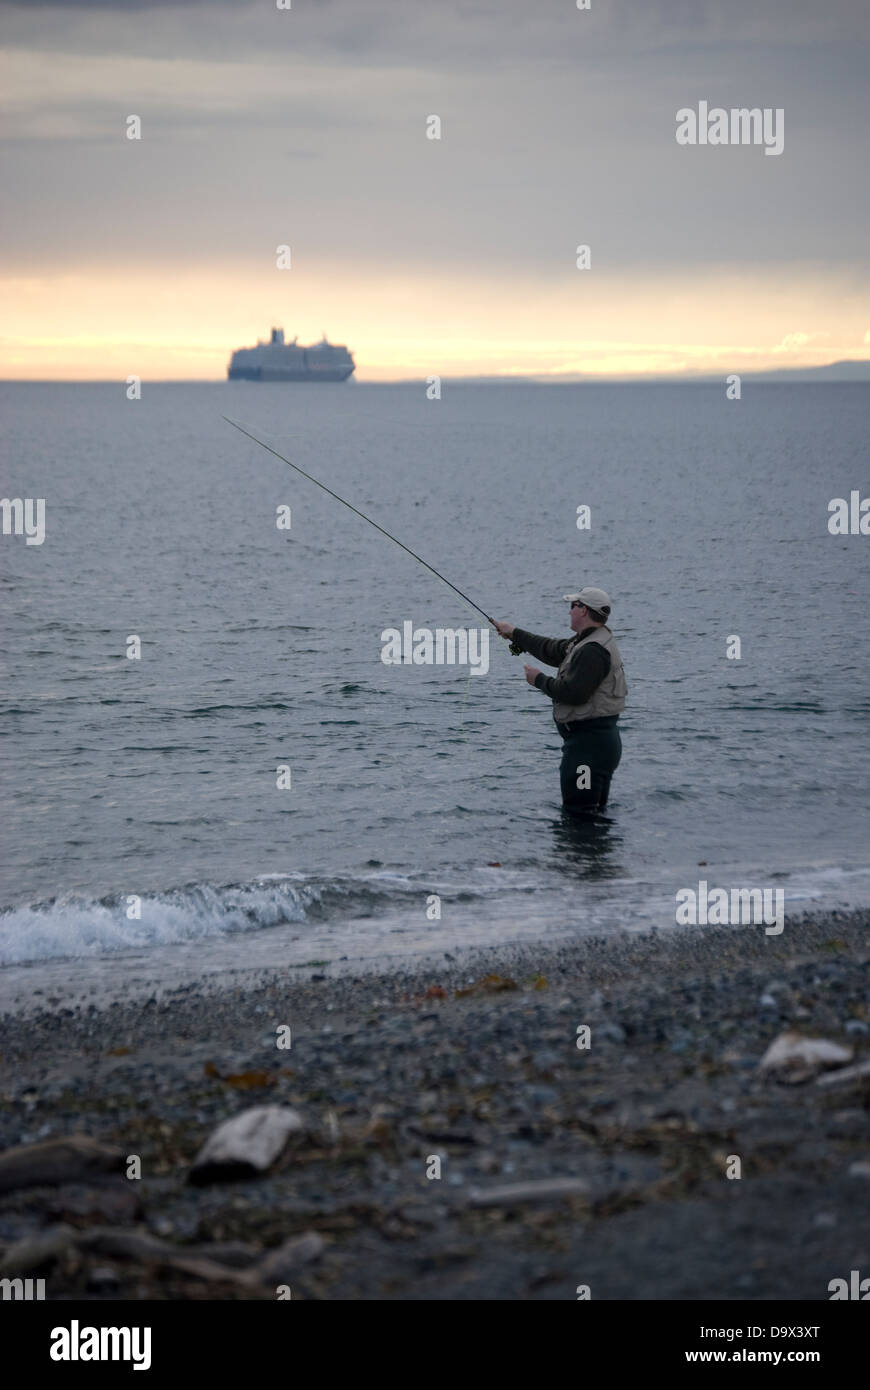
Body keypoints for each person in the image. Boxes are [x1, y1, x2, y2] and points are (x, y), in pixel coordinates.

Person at [494, 587, 627, 816]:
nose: (569, 612)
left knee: (580, 814)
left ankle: (582, 852)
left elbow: (574, 693)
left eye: (572, 606)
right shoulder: (586, 641)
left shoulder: (592, 651)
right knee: (592, 812)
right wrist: (514, 633)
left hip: (587, 753)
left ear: (583, 610)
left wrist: (538, 680)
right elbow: (551, 650)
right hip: (595, 747)